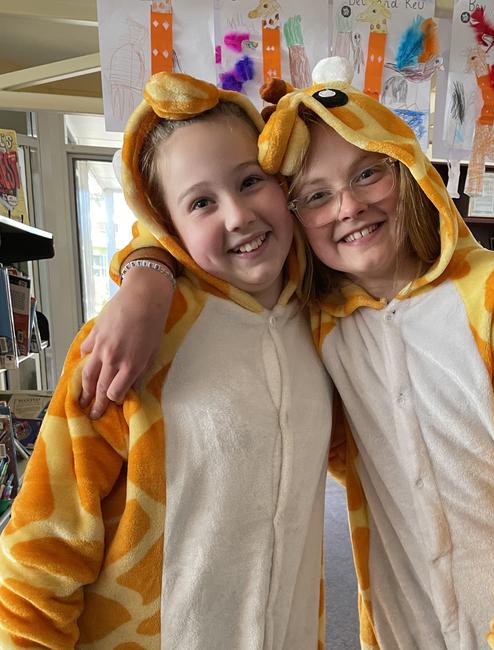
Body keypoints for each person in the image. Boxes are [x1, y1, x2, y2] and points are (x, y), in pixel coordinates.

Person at [81, 58, 494, 648]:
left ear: (406, 166)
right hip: (405, 626)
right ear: (297, 215)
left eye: (366, 175)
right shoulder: (325, 318)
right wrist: (146, 273)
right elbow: (189, 215)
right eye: (315, 195)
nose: (347, 207)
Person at [0, 72, 332, 649]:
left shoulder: (325, 319)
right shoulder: (124, 342)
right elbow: (41, 549)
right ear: (168, 226)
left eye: (251, 181)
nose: (237, 215)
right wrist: (148, 272)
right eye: (201, 202)